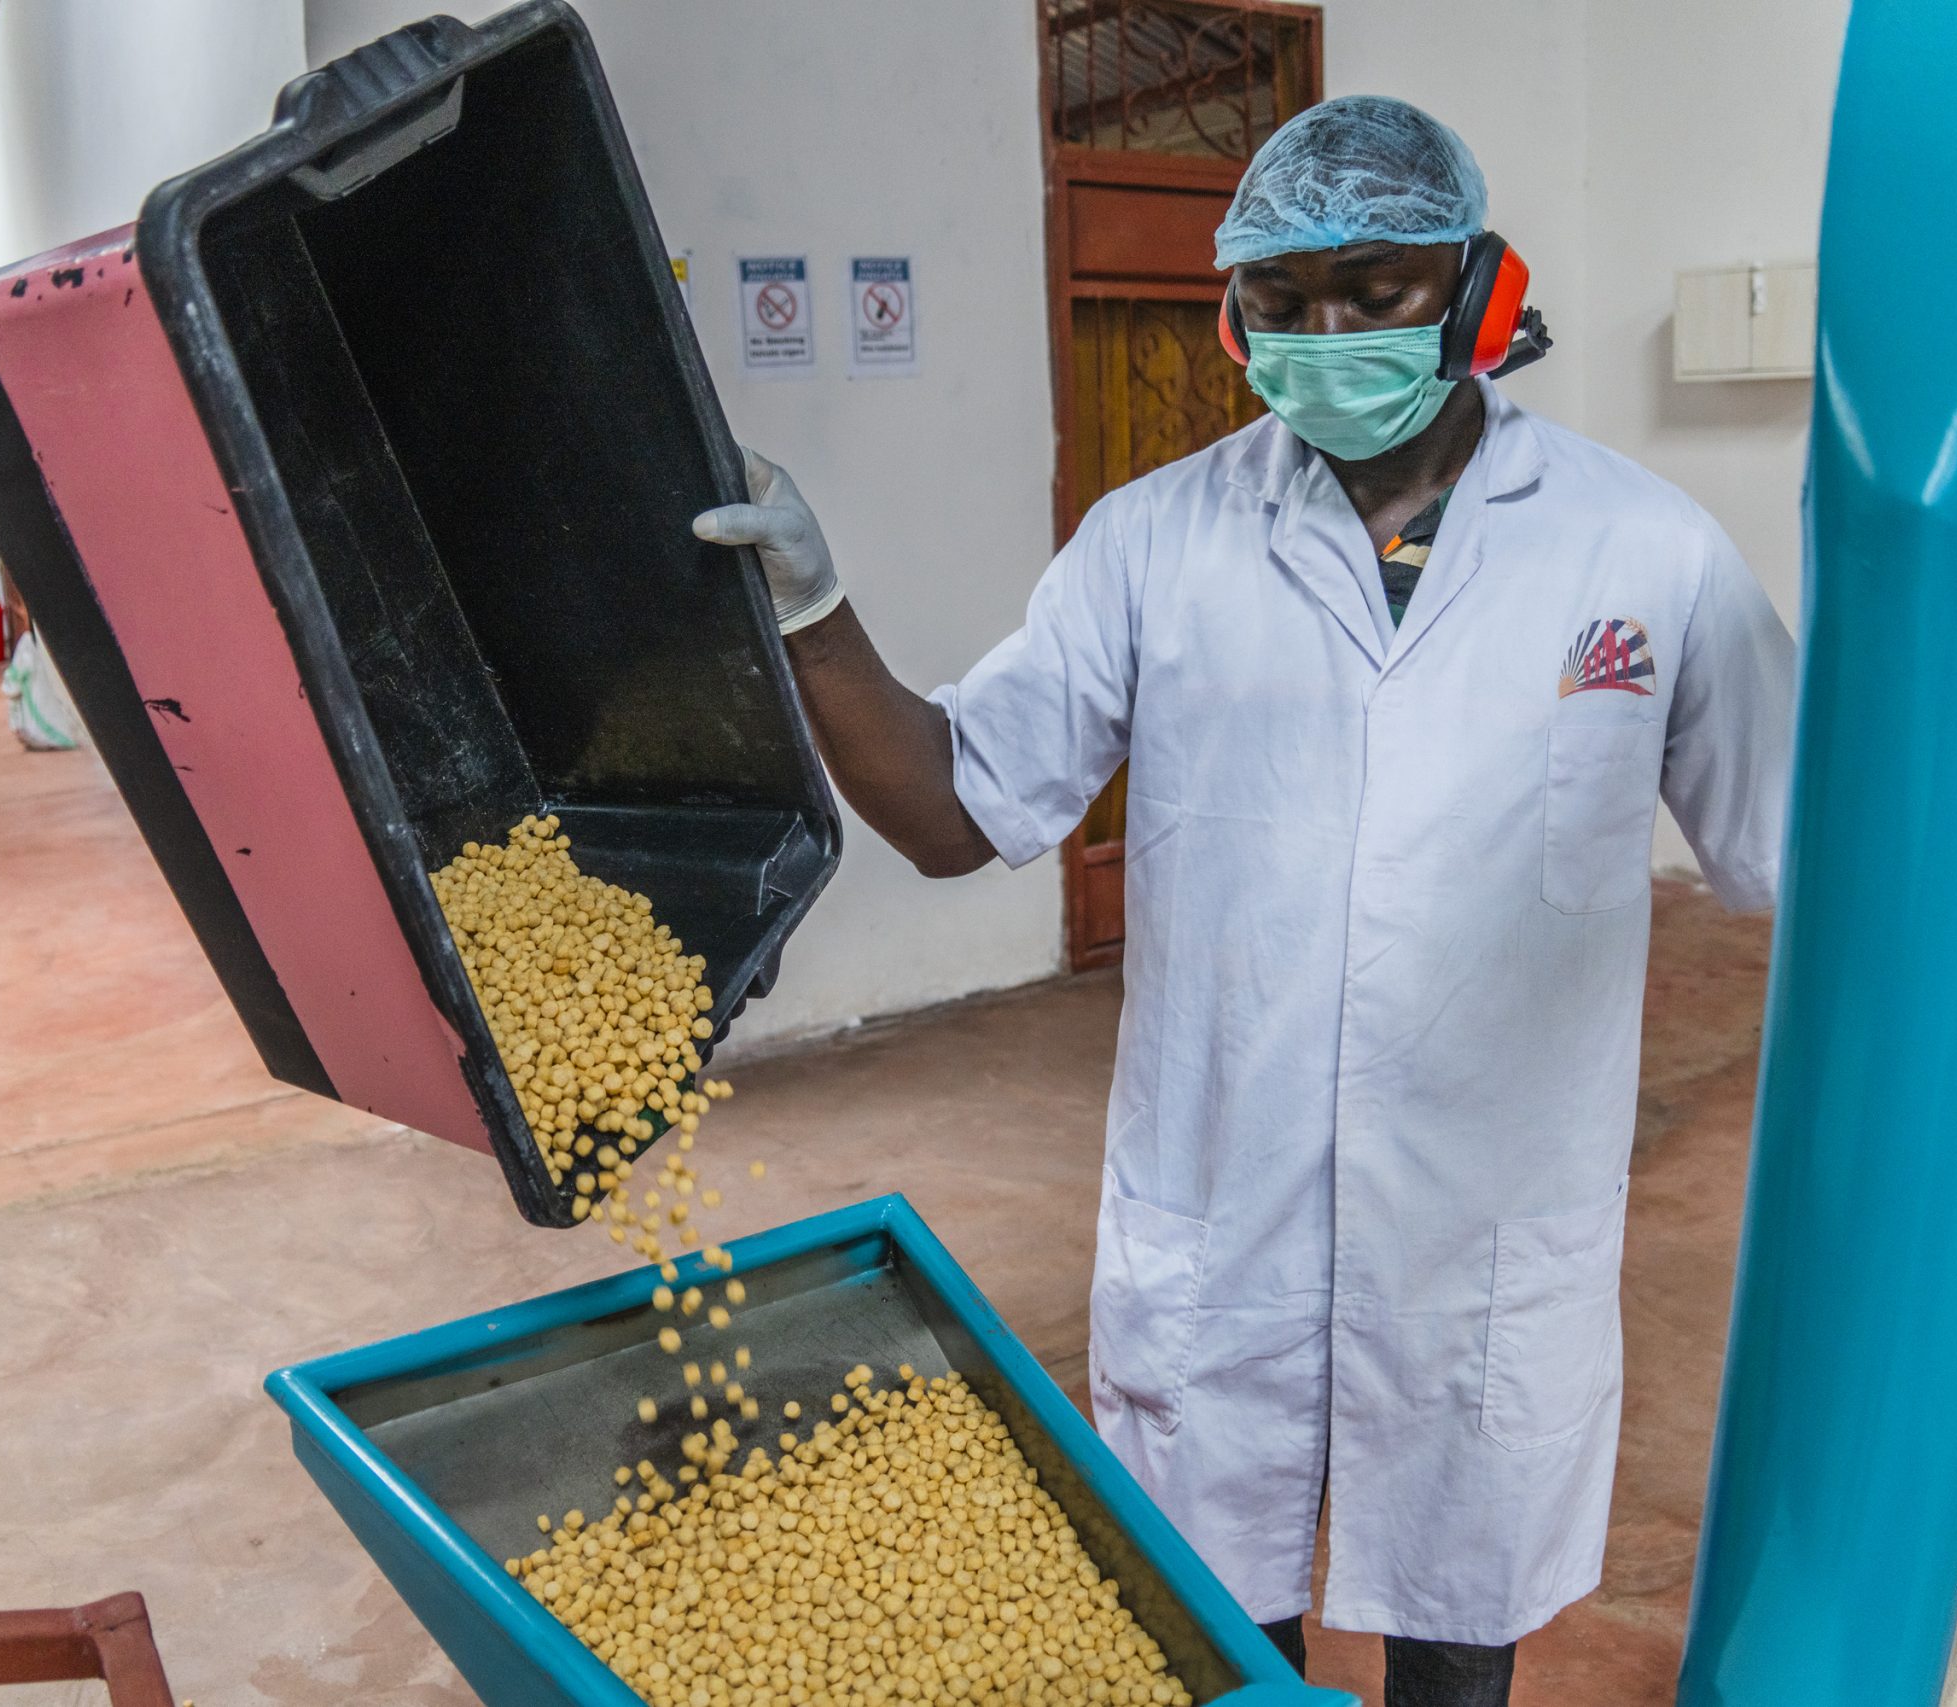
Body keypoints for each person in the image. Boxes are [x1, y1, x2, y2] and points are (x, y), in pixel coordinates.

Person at [693, 96, 1796, 1707]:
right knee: (1213, 1625)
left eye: (1376, 290)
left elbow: (1804, 856)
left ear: (1483, 291)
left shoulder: (1647, 554)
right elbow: (952, 809)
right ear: (1233, 318)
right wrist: (814, 607)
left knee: (1458, 1617)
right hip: (1224, 1212)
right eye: (1281, 303)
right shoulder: (1151, 547)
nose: (1326, 336)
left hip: (1486, 1230)